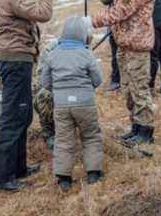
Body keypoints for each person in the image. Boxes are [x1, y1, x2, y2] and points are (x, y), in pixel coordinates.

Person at [0, 0, 53, 193]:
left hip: (14, 58)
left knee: (22, 116)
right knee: (13, 117)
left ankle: (18, 167)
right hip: (15, 60)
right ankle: (2, 178)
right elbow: (44, 12)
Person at [83, 0, 156, 146]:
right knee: (128, 89)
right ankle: (135, 127)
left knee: (139, 89)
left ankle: (146, 131)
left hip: (137, 46)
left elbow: (119, 12)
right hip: (124, 45)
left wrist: (91, 21)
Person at [41, 16, 104, 191]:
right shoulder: (86, 53)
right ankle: (93, 173)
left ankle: (64, 178)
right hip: (85, 104)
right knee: (91, 136)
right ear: (82, 34)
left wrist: (60, 90)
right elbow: (98, 79)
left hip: (61, 106)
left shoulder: (53, 54)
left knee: (63, 140)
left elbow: (45, 82)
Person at [33, 41, 56, 149]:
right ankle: (49, 132)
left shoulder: (81, 48)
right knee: (45, 95)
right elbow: (42, 79)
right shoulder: (50, 49)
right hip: (51, 86)